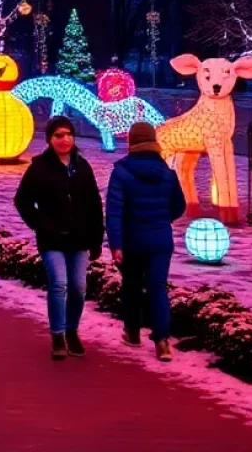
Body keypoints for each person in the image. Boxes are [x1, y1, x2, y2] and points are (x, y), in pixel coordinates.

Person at [14, 115, 104, 359]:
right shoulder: (39, 168)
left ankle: (72, 331)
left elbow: (95, 204)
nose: (64, 140)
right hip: (52, 240)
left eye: (68, 135)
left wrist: (96, 239)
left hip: (80, 239)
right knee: (59, 284)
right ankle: (57, 334)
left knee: (78, 287)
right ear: (50, 139)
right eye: (58, 135)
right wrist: (41, 224)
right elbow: (22, 201)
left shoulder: (82, 167)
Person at [106, 121, 186, 362]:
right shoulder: (167, 173)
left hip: (132, 239)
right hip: (161, 239)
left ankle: (132, 332)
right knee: (158, 288)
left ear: (131, 142)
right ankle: (162, 342)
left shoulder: (121, 172)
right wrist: (162, 220)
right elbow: (179, 206)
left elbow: (114, 210)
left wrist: (116, 244)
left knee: (131, 286)